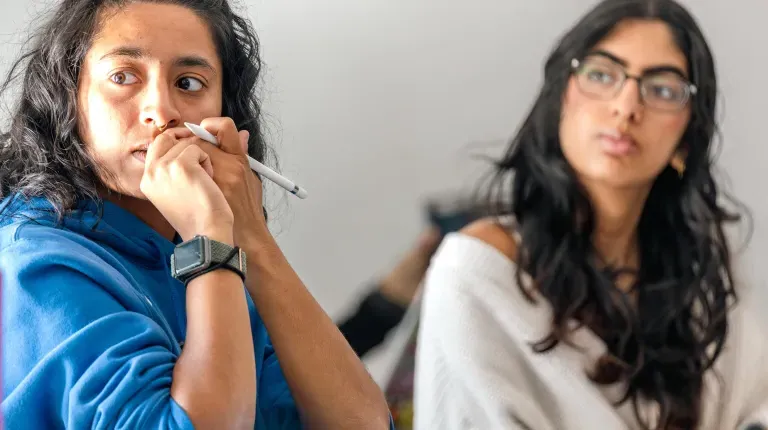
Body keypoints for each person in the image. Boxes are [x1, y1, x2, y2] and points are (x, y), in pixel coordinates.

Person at [0, 1, 393, 429]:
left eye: (189, 82)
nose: (163, 111)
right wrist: (210, 238)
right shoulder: (35, 263)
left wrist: (251, 236)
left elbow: (361, 422)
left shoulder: (210, 262)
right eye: (122, 76)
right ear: (68, 95)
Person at [414, 0, 768, 429]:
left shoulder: (704, 279)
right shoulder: (477, 273)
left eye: (662, 89)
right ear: (562, 95)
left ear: (687, 139)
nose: (626, 106)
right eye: (602, 74)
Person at [338, 228, 441, 358]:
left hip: (386, 301)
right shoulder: (428, 257)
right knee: (351, 342)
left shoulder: (428, 255)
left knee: (348, 340)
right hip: (389, 303)